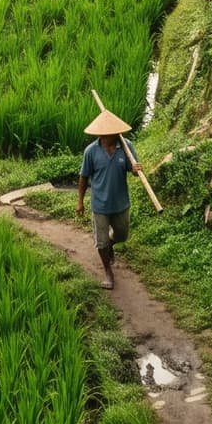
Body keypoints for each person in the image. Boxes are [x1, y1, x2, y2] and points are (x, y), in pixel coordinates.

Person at [76, 103, 143, 289]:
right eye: (105, 134)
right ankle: (108, 272)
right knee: (101, 241)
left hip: (121, 203)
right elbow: (83, 178)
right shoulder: (91, 151)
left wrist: (137, 169)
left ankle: (110, 246)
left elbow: (134, 169)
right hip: (100, 205)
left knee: (121, 235)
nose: (108, 136)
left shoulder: (126, 147)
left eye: (112, 133)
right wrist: (80, 202)